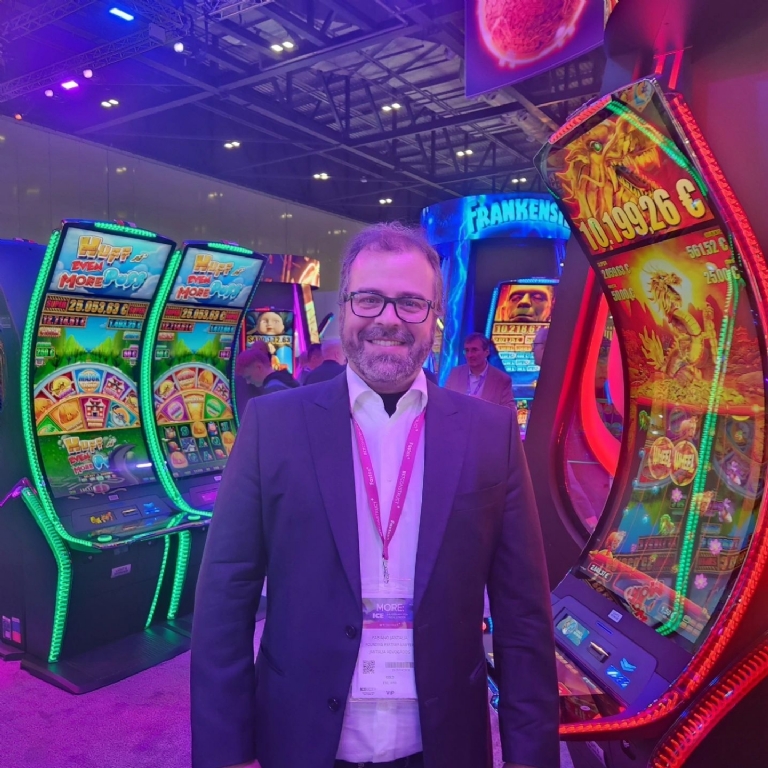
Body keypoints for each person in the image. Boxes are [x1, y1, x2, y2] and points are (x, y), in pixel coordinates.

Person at [191, 222, 559, 768]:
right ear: (344, 308)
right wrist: (224, 753)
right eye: (369, 299)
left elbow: (522, 614)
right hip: (300, 739)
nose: (389, 318)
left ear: (435, 317)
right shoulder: (272, 425)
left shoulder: (491, 433)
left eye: (411, 302)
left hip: (444, 744)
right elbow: (226, 596)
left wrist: (531, 757)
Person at [444, 332, 515, 409]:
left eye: (474, 350)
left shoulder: (502, 380)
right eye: (467, 350)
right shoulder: (455, 373)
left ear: (486, 352)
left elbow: (509, 412)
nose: (470, 355)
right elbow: (445, 402)